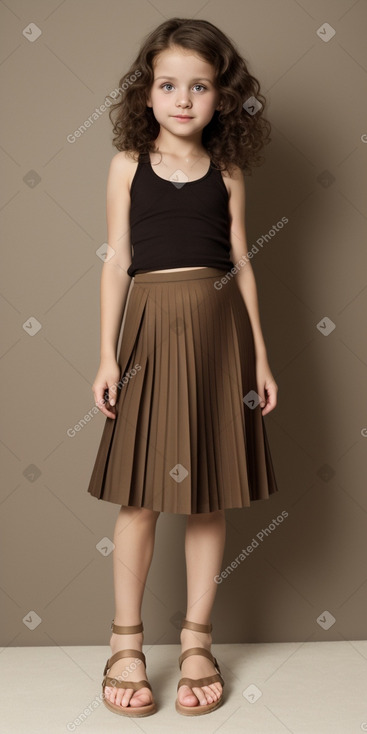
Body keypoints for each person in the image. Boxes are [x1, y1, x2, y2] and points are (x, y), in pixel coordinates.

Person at [87, 17, 279, 718]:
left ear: (221, 98)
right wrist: (106, 355)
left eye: (199, 86)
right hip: (146, 334)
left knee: (208, 493)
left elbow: (242, 260)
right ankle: (126, 641)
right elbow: (116, 263)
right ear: (146, 94)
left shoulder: (226, 171)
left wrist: (259, 356)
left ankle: (197, 637)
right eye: (168, 85)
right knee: (139, 495)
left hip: (219, 336)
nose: (182, 99)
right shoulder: (125, 166)